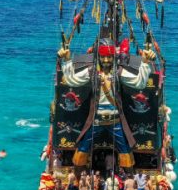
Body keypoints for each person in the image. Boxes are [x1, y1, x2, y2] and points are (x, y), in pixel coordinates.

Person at [58, 40, 155, 169]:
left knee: (125, 151)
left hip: (115, 120)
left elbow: (140, 83)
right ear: (99, 57)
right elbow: (72, 80)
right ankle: (77, 177)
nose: (106, 60)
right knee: (83, 148)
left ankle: (128, 178)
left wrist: (145, 62)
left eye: (109, 57)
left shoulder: (118, 73)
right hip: (96, 120)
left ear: (113, 57)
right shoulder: (92, 72)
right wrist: (67, 59)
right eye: (103, 57)